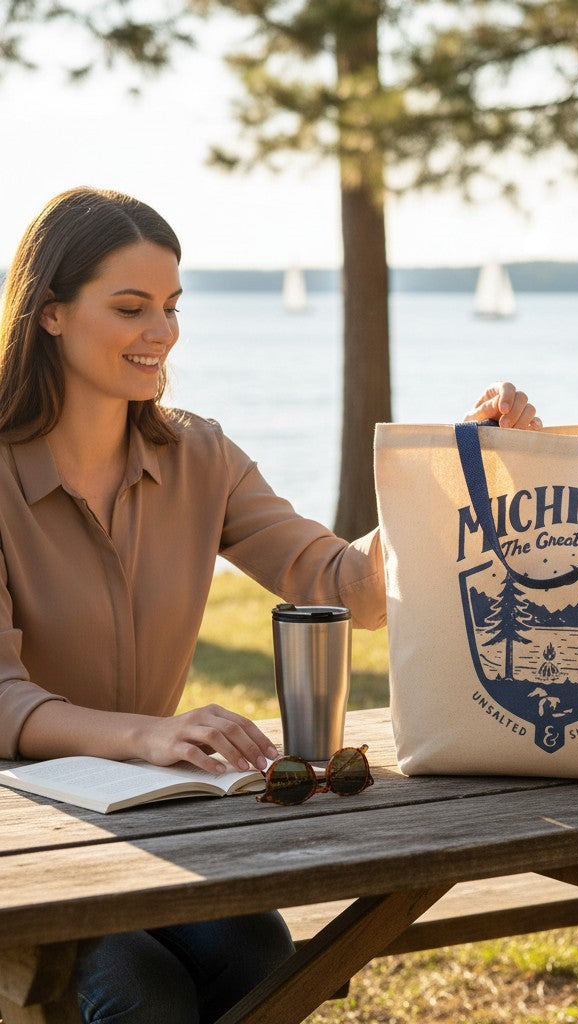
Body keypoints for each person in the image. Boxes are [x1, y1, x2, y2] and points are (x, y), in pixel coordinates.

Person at [0, 186, 542, 1024]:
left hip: (148, 813)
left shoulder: (199, 455)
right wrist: (152, 734)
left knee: (260, 955)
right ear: (50, 314)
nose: (163, 333)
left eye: (173, 307)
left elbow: (345, 585)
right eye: (131, 307)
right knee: (140, 991)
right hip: (22, 827)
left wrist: (459, 469)